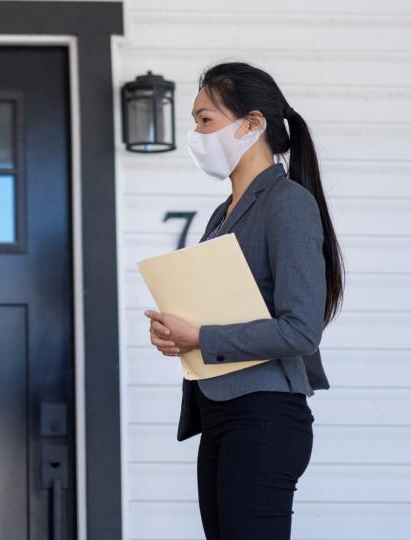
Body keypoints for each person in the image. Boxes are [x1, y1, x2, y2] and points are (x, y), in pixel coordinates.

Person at [143, 62, 344, 540]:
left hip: (265, 417)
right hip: (222, 414)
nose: (196, 133)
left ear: (253, 124)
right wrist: (176, 333)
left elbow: (300, 330)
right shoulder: (223, 212)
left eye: (205, 119)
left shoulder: (288, 203)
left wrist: (202, 337)